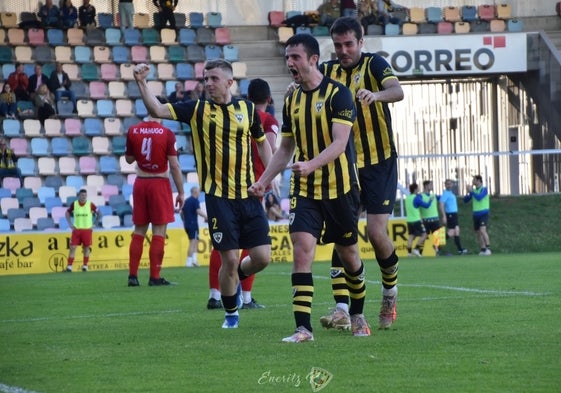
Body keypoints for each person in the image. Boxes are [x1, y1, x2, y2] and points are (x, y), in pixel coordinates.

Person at [133, 59, 272, 329]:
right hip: (219, 199)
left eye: (214, 79)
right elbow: (156, 109)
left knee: (262, 257)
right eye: (205, 79)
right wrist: (141, 82)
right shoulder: (196, 109)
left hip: (249, 195)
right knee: (229, 258)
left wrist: (268, 178)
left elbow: (262, 144)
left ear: (229, 82)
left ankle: (236, 276)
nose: (208, 83)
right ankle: (231, 313)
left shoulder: (247, 109)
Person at [250, 33, 369, 343]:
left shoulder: (338, 94)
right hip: (306, 190)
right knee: (302, 252)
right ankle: (303, 328)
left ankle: (357, 315)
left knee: (349, 256)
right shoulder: (292, 99)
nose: (290, 62)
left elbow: (340, 143)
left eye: (295, 57)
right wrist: (264, 182)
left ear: (313, 59)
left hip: (340, 188)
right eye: (287, 57)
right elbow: (286, 147)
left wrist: (312, 164)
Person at [318, 16, 403, 330]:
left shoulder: (375, 65)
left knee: (376, 233)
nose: (343, 50)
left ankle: (389, 294)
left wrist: (375, 95)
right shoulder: (327, 71)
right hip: (346, 164)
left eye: (348, 44)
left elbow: (397, 91)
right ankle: (342, 309)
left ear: (360, 42)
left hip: (379, 162)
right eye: (338, 45)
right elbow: (307, 84)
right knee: (343, 235)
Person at [206, 77, 279, 311]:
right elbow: (271, 148)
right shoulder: (267, 119)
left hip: (225, 185)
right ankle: (245, 296)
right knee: (252, 244)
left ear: (248, 97)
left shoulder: (235, 112)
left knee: (224, 245)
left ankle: (215, 294)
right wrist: (269, 181)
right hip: (254, 185)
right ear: (268, 99)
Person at [125, 105, 184, 287]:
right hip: (159, 183)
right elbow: (174, 165)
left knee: (139, 230)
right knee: (159, 231)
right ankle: (155, 276)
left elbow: (128, 159)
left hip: (141, 183)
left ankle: (133, 276)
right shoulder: (167, 133)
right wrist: (181, 192)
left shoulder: (133, 130)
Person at [64, 189, 101, 272]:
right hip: (77, 229)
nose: (84, 197)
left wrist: (95, 224)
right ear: (79, 196)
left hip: (87, 230)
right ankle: (69, 266)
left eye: (85, 195)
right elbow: (67, 213)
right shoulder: (74, 204)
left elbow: (99, 213)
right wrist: (70, 223)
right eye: (82, 195)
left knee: (86, 248)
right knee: (73, 247)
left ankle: (85, 266)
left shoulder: (90, 204)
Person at [464, 175, 492, 256]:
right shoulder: (474, 191)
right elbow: (465, 200)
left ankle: (488, 248)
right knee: (478, 232)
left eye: (474, 180)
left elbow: (479, 197)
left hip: (483, 213)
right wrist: (468, 192)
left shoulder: (484, 189)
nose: (473, 182)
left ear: (478, 181)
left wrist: (472, 191)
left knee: (483, 230)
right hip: (476, 214)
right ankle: (482, 249)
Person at [181, 186, 207, 267]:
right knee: (193, 242)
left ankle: (194, 260)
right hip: (193, 224)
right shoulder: (195, 201)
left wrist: (185, 220)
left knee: (195, 241)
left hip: (187, 224)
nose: (199, 193)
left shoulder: (186, 201)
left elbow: (181, 213)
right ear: (195, 192)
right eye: (198, 192)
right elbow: (198, 211)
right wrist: (206, 216)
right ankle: (188, 262)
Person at [440, 179, 468, 255]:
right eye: (447, 184)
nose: (449, 185)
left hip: (454, 215)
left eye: (450, 184)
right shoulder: (445, 194)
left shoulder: (451, 193)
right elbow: (441, 204)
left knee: (456, 231)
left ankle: (460, 250)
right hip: (450, 215)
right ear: (445, 185)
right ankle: (437, 245)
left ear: (452, 185)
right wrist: (444, 216)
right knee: (451, 232)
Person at [418, 180, 443, 255]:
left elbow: (442, 199)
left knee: (438, 237)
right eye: (430, 185)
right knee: (424, 236)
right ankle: (420, 252)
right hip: (426, 220)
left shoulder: (434, 195)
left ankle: (437, 251)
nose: (432, 186)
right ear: (426, 186)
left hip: (435, 219)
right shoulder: (420, 196)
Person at [404, 183, 427, 257]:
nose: (419, 190)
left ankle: (409, 253)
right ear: (415, 189)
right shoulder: (416, 198)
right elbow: (426, 205)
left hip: (409, 220)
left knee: (411, 236)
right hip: (416, 220)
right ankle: (416, 249)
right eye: (418, 188)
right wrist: (430, 200)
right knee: (424, 234)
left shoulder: (407, 198)